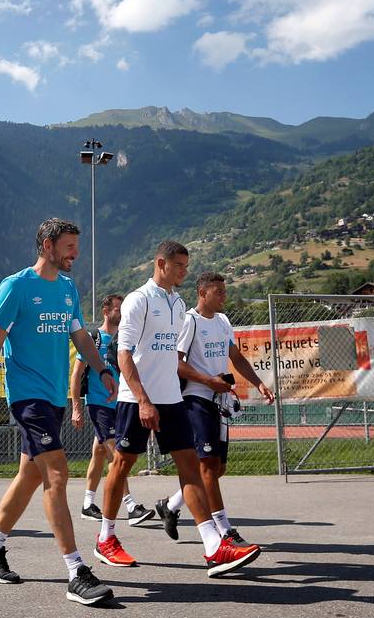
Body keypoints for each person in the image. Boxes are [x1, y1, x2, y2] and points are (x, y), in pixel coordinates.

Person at [94, 241, 261, 578]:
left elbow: (172, 357)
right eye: (180, 266)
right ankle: (106, 539)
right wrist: (142, 399)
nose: (185, 271)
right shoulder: (139, 300)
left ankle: (214, 546)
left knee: (191, 467)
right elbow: (123, 354)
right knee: (122, 464)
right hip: (134, 398)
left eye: (187, 265)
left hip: (172, 399)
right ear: (161, 263)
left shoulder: (177, 302)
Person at [0, 218, 115, 606]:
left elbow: (79, 335)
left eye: (76, 247)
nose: (75, 254)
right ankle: (76, 571)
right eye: (69, 246)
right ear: (48, 245)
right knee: (56, 472)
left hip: (52, 396)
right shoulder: (16, 286)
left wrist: (101, 369)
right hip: (27, 395)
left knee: (30, 476)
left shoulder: (67, 288)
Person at [155, 272, 275, 547]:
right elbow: (176, 363)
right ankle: (224, 530)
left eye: (224, 290)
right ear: (202, 292)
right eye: (218, 291)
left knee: (217, 468)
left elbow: (235, 356)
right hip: (195, 398)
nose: (224, 295)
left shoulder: (222, 321)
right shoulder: (190, 320)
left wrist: (258, 383)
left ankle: (170, 505)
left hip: (219, 401)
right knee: (207, 466)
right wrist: (209, 380)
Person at [68, 294, 153, 525]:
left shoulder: (126, 339)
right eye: (118, 309)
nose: (122, 313)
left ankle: (87, 503)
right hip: (99, 404)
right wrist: (76, 407)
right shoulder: (93, 338)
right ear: (106, 312)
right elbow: (76, 375)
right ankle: (130, 505)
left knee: (99, 452)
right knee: (118, 454)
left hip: (122, 404)